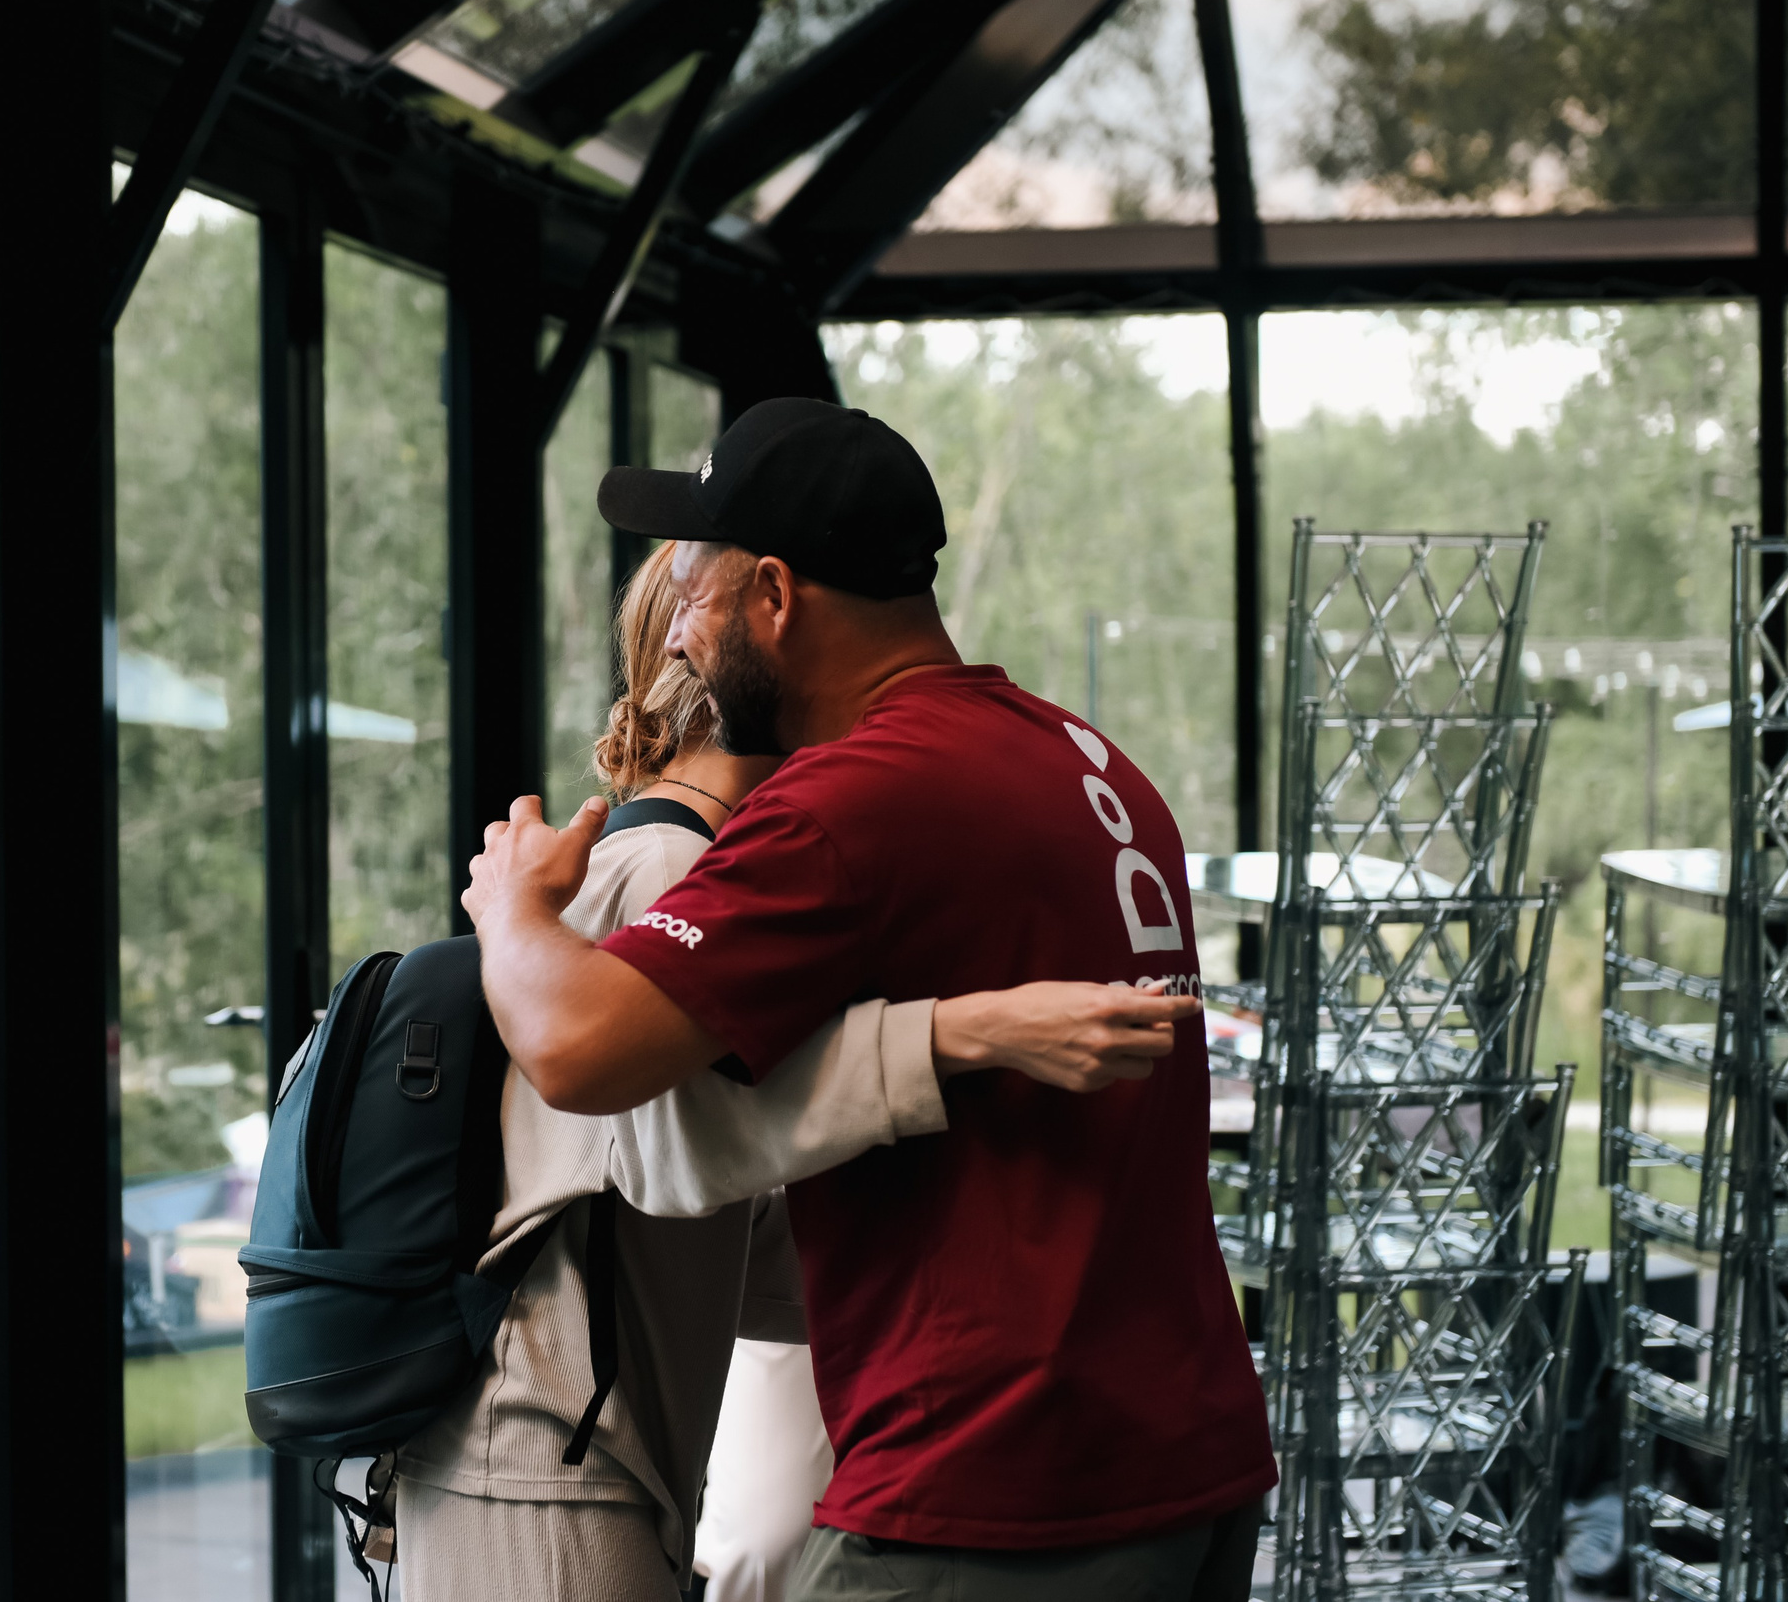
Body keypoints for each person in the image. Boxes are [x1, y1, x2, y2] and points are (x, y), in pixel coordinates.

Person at [462, 398, 1276, 1602]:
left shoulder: (857, 797)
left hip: (997, 1483)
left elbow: (577, 1049)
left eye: (691, 593)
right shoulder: (1088, 761)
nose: (678, 639)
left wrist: (511, 908)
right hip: (1186, 1455)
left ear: (774, 597)